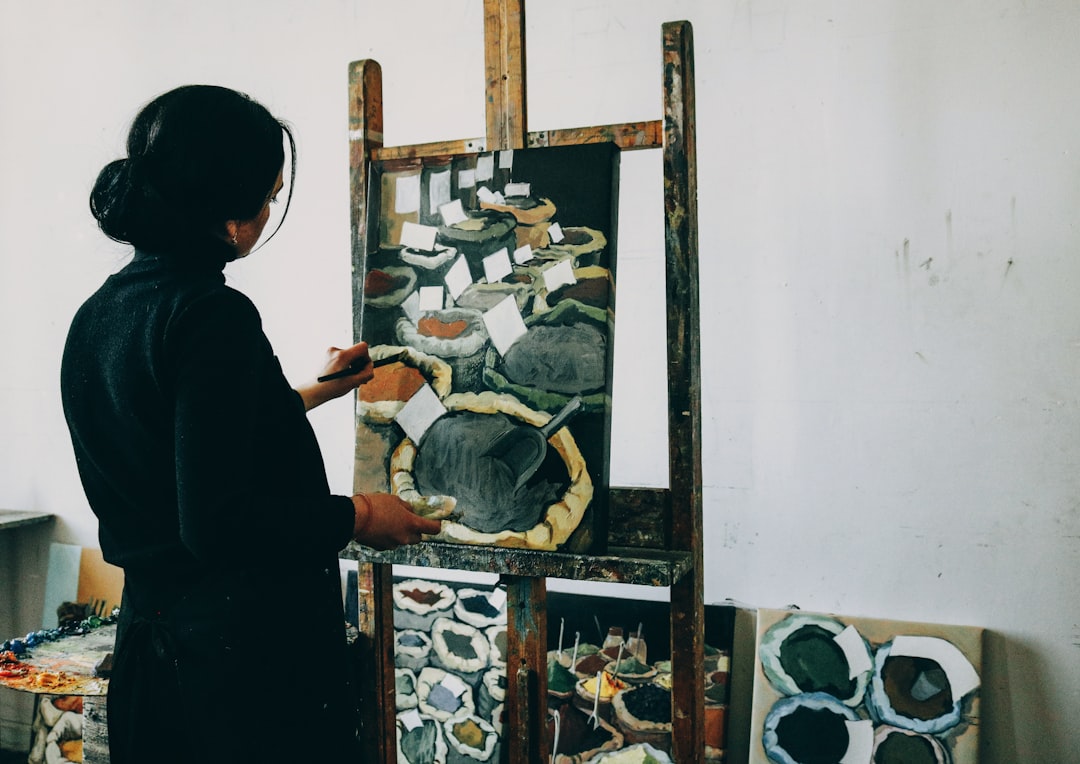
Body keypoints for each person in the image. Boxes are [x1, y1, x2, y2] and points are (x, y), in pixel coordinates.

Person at [60, 85, 443, 762]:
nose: (269, 212)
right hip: (236, 679)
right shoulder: (209, 314)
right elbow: (217, 523)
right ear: (229, 211)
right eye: (268, 196)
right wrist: (358, 515)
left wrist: (314, 391)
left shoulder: (101, 314)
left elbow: (191, 444)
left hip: (156, 661)